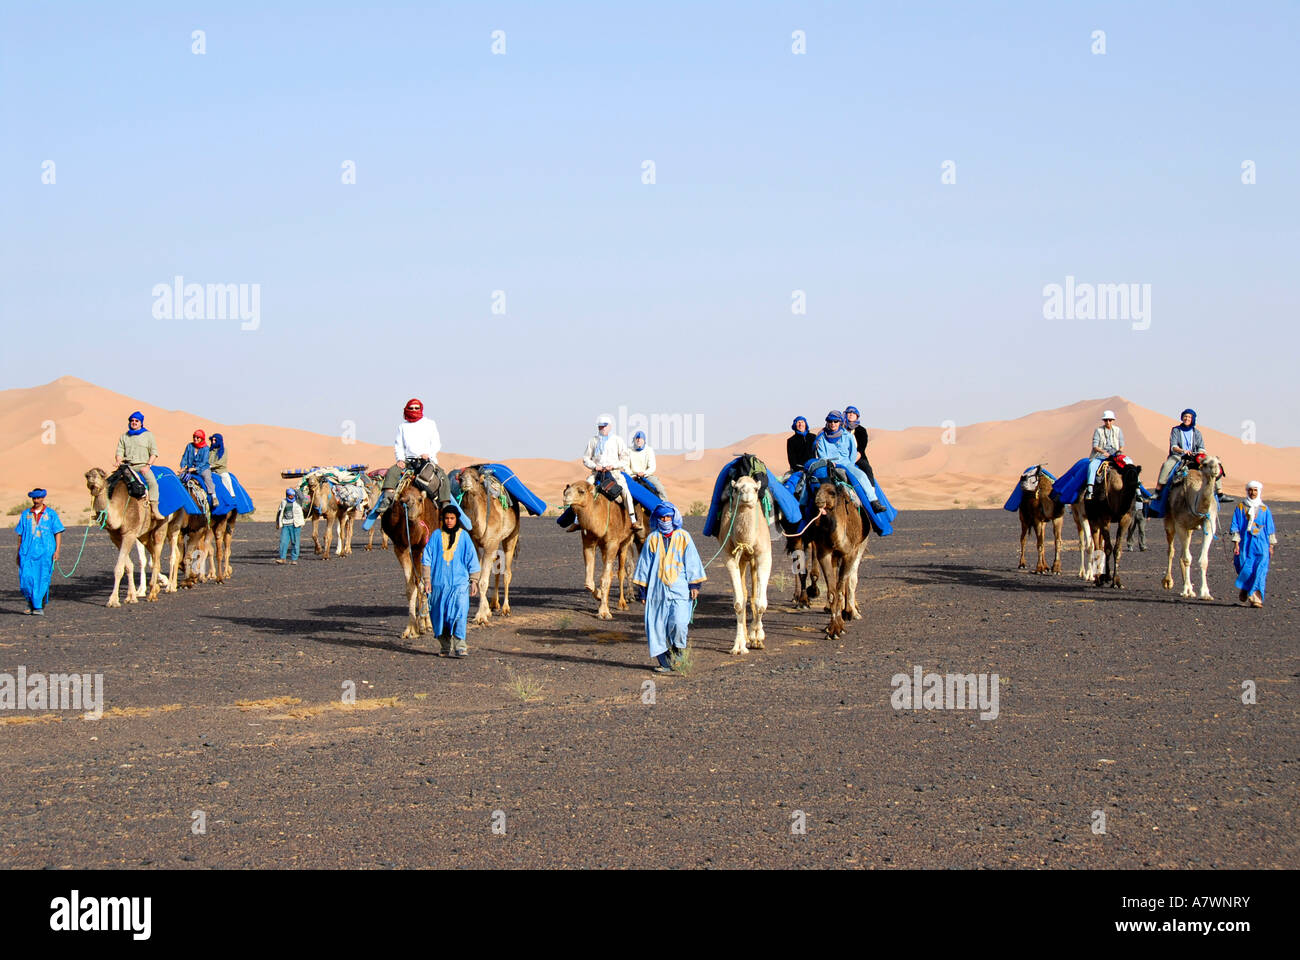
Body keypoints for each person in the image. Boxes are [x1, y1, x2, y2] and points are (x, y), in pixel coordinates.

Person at [632, 503, 705, 673]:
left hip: (680, 588)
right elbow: (644, 565)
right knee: (657, 625)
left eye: (668, 517)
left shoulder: (684, 536)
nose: (665, 520)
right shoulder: (652, 538)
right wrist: (642, 590)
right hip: (657, 590)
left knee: (679, 623)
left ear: (674, 518)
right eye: (662, 517)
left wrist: (694, 584)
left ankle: (679, 654)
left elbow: (692, 560)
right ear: (657, 519)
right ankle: (664, 663)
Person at [365, 398, 447, 529]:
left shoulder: (430, 424)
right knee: (391, 472)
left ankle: (445, 505)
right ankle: (387, 499)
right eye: (411, 408)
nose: (414, 410)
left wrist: (429, 454)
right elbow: (399, 445)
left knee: (442, 477)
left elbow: (436, 443)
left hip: (426, 461)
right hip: (408, 461)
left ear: (421, 409)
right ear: (407, 410)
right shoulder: (402, 427)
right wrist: (400, 459)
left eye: (416, 408)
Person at [421, 504, 481, 657]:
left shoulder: (465, 537)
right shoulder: (435, 536)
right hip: (438, 585)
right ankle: (445, 646)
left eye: (452, 518)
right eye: (446, 518)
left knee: (460, 612)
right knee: (440, 614)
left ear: (457, 519)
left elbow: (472, 559)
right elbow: (426, 559)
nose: (449, 521)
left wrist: (474, 581)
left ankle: (460, 645)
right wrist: (427, 580)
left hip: (459, 585)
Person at [814, 411, 886, 512]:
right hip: (830, 466)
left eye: (836, 421)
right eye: (830, 421)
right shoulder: (822, 439)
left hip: (847, 464)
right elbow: (822, 455)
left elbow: (853, 453)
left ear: (840, 422)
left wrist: (849, 464)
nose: (833, 424)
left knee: (862, 476)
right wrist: (828, 463)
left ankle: (874, 501)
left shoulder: (848, 436)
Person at [582, 416, 638, 529]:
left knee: (625, 492)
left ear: (610, 426)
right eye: (600, 426)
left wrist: (613, 466)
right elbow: (586, 458)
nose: (602, 428)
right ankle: (577, 520)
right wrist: (594, 466)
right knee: (583, 490)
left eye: (604, 425)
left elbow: (625, 458)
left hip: (614, 473)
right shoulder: (593, 441)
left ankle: (633, 520)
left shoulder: (617, 440)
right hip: (596, 473)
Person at [14, 489, 62, 616]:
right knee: (26, 579)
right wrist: (18, 552)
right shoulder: (25, 514)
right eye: (34, 498)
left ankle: (37, 607)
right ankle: (30, 603)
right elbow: (20, 534)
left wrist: (57, 550)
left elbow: (57, 532)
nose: (36, 501)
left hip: (45, 552)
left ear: (43, 498)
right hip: (26, 552)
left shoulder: (51, 514)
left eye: (38, 498)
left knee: (42, 578)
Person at [1230, 481, 1276, 608]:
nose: (1253, 493)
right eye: (1250, 490)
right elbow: (1235, 526)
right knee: (1244, 567)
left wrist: (1271, 546)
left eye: (1255, 490)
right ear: (1247, 491)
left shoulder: (1264, 509)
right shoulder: (1240, 507)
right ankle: (1245, 588)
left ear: (1259, 491)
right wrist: (1236, 544)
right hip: (1245, 544)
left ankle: (1256, 599)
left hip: (1261, 545)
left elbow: (1270, 529)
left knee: (1260, 571)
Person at [114, 411, 164, 520]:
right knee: (111, 483)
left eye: (136, 421)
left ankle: (154, 509)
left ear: (141, 423)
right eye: (132, 421)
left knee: (153, 483)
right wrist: (118, 461)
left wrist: (147, 466)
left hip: (142, 465)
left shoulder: (148, 435)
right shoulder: (124, 436)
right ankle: (106, 511)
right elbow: (119, 451)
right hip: (127, 467)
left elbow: (154, 453)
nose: (134, 422)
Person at [1155, 409, 1204, 495]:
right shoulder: (1176, 430)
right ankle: (1158, 490)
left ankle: (1219, 493)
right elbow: (1174, 446)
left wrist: (1199, 453)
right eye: (1185, 416)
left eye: (1189, 417)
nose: (1187, 418)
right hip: (1178, 456)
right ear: (1182, 417)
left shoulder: (1197, 433)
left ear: (1192, 419)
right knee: (1167, 465)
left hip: (1193, 457)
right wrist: (1183, 451)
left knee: (1212, 466)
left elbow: (1201, 448)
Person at [1084, 410, 1125, 498]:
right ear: (1104, 421)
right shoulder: (1098, 431)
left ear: (1113, 420)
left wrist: (1119, 452)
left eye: (1110, 420)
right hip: (1101, 455)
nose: (1108, 422)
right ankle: (1090, 490)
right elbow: (1095, 446)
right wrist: (1103, 452)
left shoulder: (1118, 430)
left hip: (1115, 454)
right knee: (1092, 466)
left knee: (1130, 464)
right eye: (1106, 420)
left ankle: (1138, 491)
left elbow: (1122, 445)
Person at [179, 428, 217, 509]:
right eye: (194, 437)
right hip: (190, 468)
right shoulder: (190, 446)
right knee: (180, 479)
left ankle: (214, 496)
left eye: (197, 437)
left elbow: (204, 462)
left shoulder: (206, 448)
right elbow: (185, 457)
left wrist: (195, 468)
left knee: (207, 478)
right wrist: (182, 467)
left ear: (201, 439)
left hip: (202, 469)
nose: (195, 439)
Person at [843, 405, 877, 486]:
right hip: (842, 456)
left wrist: (851, 461)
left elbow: (861, 448)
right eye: (849, 412)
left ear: (857, 416)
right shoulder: (840, 429)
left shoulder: (861, 430)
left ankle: (872, 490)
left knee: (867, 468)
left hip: (857, 457)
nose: (851, 414)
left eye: (853, 413)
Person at [627, 431, 666, 499]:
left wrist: (644, 473)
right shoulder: (628, 450)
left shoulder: (649, 450)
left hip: (646, 476)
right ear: (634, 440)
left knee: (660, 488)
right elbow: (626, 466)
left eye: (641, 438)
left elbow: (652, 467)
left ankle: (665, 507)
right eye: (637, 438)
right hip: (632, 477)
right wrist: (631, 475)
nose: (639, 440)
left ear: (644, 440)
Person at [275, 488, 305, 564]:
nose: (291, 497)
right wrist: (277, 523)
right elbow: (279, 512)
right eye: (290, 495)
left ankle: (294, 559)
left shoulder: (298, 502)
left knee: (295, 542)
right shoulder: (283, 502)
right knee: (283, 542)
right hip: (285, 524)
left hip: (295, 525)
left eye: (292, 495)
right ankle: (282, 558)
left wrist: (296, 490)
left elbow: (302, 497)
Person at [209, 433, 235, 498]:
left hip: (221, 470)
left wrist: (211, 465)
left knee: (226, 478)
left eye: (215, 440)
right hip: (211, 471)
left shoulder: (224, 450)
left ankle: (231, 495)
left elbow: (221, 462)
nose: (213, 442)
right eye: (212, 440)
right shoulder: (210, 450)